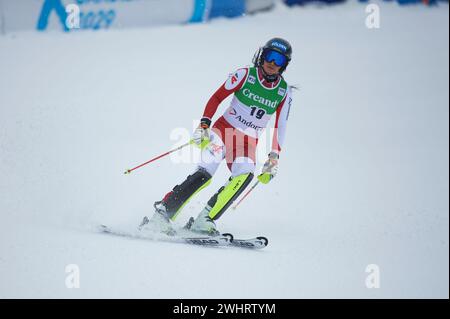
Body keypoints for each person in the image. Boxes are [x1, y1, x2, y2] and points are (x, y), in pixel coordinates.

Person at [141, 38, 294, 235]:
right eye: (270, 56)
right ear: (262, 56)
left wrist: (274, 156)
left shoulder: (284, 92)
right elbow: (216, 98)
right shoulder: (245, 75)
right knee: (205, 174)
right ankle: (162, 215)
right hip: (223, 133)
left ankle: (205, 219)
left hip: (247, 144)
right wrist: (204, 125)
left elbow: (281, 124)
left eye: (279, 60)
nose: (272, 63)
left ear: (284, 65)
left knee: (244, 175)